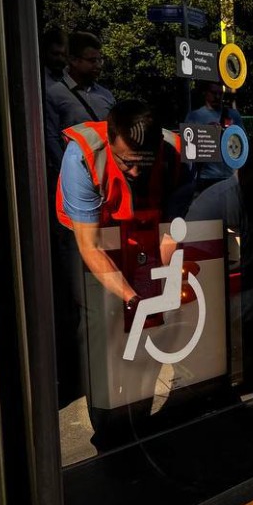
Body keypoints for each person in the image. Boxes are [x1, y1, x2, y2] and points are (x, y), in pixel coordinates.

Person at [56, 100, 186, 449]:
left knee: (153, 323)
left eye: (143, 164)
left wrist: (155, 291)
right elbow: (90, 246)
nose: (134, 172)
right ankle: (107, 430)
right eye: (126, 162)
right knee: (100, 325)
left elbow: (170, 232)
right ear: (111, 140)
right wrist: (131, 298)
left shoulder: (172, 154)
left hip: (143, 231)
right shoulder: (81, 158)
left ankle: (138, 421)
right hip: (95, 234)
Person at [44, 31, 116, 174]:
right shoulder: (55, 94)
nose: (98, 66)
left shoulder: (105, 95)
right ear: (73, 60)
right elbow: (51, 138)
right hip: (76, 172)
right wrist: (66, 173)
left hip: (106, 172)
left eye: (100, 60)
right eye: (92, 61)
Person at [184, 82, 243, 193]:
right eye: (214, 93)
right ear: (205, 93)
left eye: (220, 93)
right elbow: (188, 152)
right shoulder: (195, 116)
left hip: (230, 177)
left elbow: (243, 144)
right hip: (207, 178)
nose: (217, 97)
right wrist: (206, 133)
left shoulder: (233, 115)